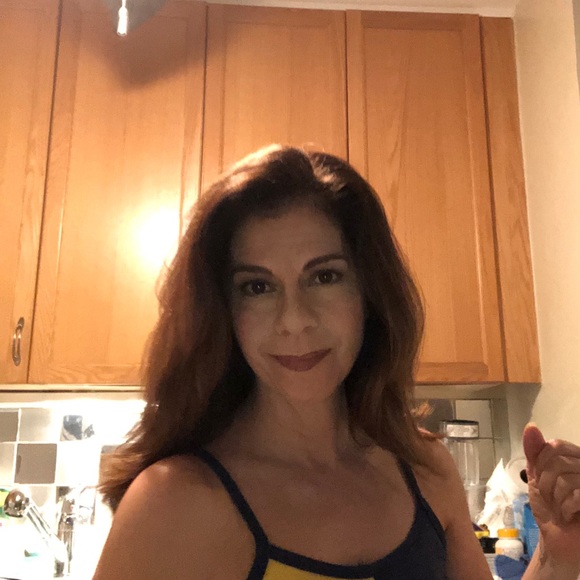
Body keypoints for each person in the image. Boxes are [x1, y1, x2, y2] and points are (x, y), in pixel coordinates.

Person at [94, 145, 580, 580]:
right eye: (257, 287)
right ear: (224, 310)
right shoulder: (174, 505)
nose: (294, 320)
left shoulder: (427, 468)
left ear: (368, 292)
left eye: (324, 277)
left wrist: (557, 555)